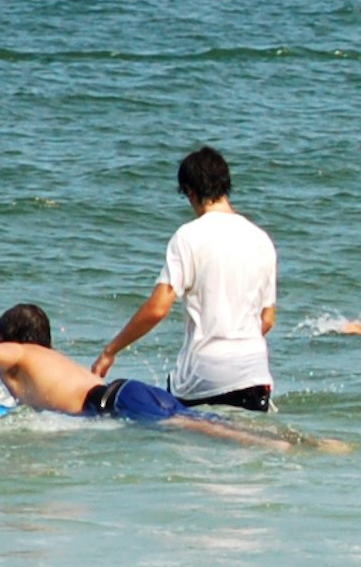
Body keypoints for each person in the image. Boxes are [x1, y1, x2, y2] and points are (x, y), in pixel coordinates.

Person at [0, 304, 283, 441]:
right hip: (129, 393)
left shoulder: (18, 354)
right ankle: (295, 442)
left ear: (9, 338)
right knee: (210, 423)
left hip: (118, 402)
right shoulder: (45, 361)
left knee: (213, 432)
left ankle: (275, 447)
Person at [92, 146, 278, 411]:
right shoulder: (262, 240)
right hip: (255, 373)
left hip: (204, 376)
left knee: (187, 444)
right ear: (226, 186)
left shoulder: (188, 236)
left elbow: (157, 309)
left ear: (190, 192)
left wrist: (110, 351)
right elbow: (267, 319)